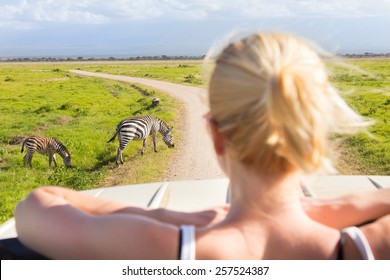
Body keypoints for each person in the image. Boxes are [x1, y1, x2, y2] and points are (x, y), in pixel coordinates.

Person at [14, 32, 390, 260]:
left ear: (215, 134)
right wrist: (329, 208)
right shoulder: (365, 248)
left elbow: (37, 204)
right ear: (317, 134)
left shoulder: (166, 244)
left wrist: (175, 218)